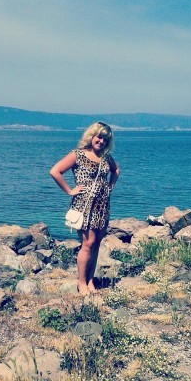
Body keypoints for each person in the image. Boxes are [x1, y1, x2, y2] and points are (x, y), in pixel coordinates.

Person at [50, 122, 120, 296]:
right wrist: (70, 191)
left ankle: (90, 280)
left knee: (96, 244)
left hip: (102, 205)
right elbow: (55, 171)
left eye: (105, 139)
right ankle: (81, 282)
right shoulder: (78, 154)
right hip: (84, 205)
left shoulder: (106, 157)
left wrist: (110, 186)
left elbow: (116, 170)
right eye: (99, 137)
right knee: (87, 243)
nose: (101, 141)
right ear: (91, 136)